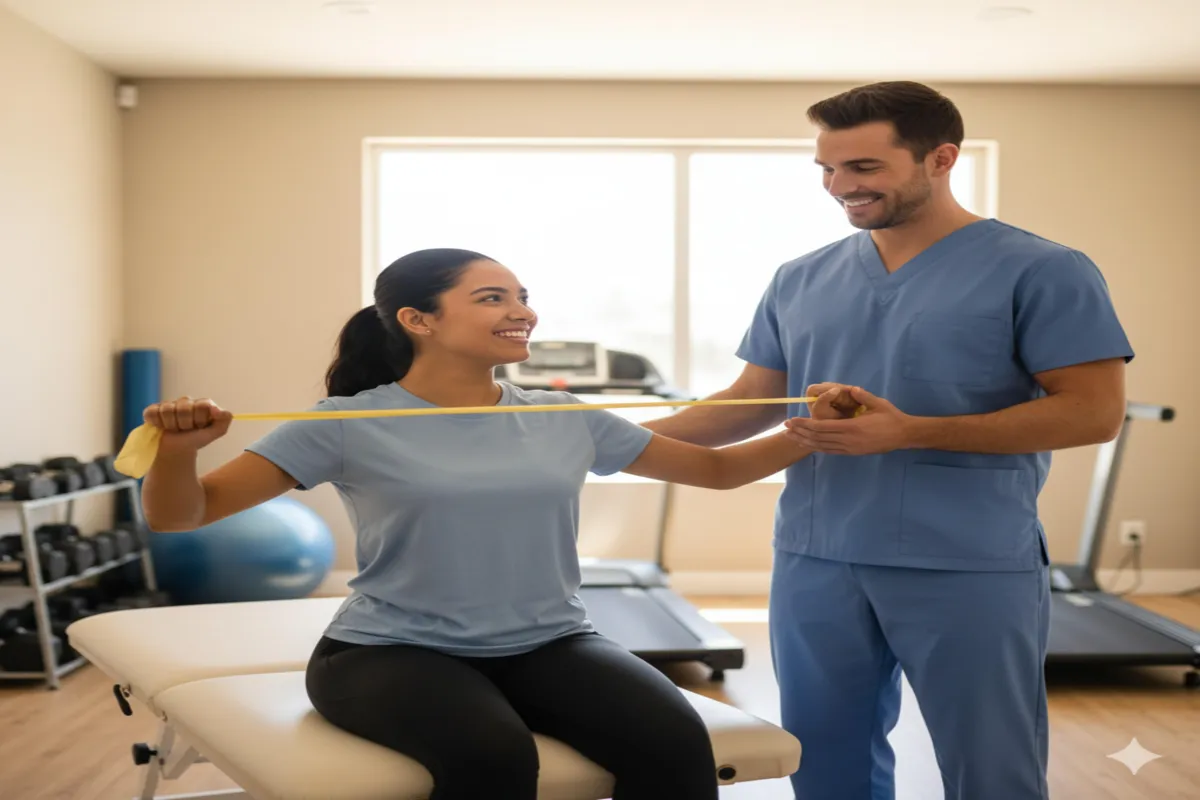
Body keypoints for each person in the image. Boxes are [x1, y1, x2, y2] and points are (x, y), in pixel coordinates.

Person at [136, 247, 825, 800]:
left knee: (675, 742)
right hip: (389, 652)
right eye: (493, 298)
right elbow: (180, 514)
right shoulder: (346, 423)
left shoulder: (565, 416)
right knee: (493, 758)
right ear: (419, 320)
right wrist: (178, 451)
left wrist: (818, 428)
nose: (522, 312)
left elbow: (717, 470)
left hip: (550, 642)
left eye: (522, 296)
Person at [642, 81, 1134, 800]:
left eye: (864, 167)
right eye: (827, 169)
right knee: (825, 764)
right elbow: (748, 404)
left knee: (990, 767)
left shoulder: (1043, 270)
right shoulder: (800, 278)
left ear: (941, 159)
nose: (840, 186)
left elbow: (1093, 413)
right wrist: (596, 439)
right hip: (817, 555)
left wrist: (910, 431)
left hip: (966, 559)